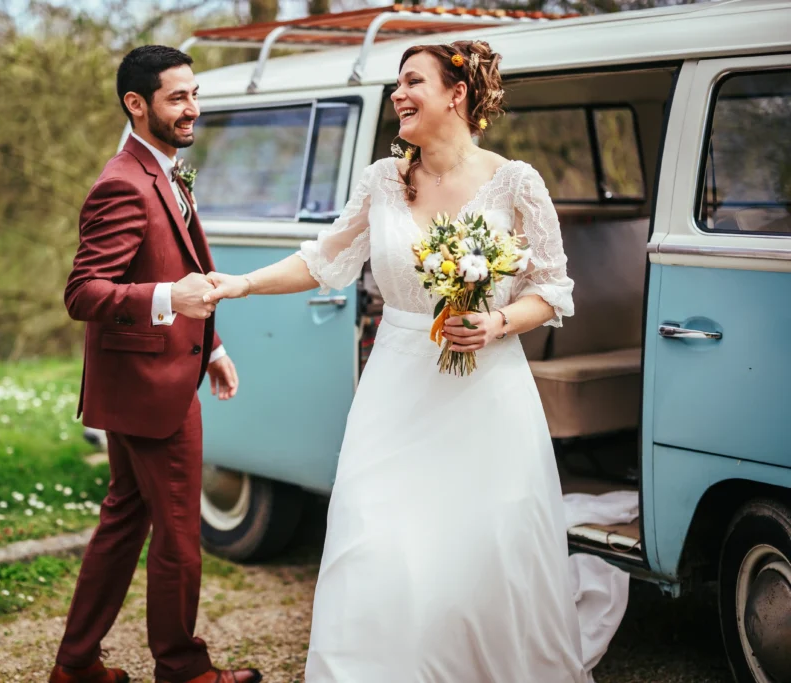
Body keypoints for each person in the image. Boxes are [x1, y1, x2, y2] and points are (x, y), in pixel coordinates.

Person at [204, 41, 627, 682]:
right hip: (396, 384)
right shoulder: (383, 179)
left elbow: (553, 290)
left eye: (411, 81)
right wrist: (240, 284)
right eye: (397, 84)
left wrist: (498, 321)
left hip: (487, 390)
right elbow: (323, 259)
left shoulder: (515, 182)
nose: (398, 95)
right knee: (371, 536)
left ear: (456, 93)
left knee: (481, 546)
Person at [50, 45, 260, 683]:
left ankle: (77, 665)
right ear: (136, 105)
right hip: (150, 390)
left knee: (124, 520)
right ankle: (182, 669)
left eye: (195, 93)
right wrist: (169, 301)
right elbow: (83, 293)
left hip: (151, 380)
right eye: (177, 97)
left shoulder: (163, 168)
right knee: (177, 537)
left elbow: (186, 266)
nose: (192, 108)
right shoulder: (121, 182)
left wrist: (214, 346)